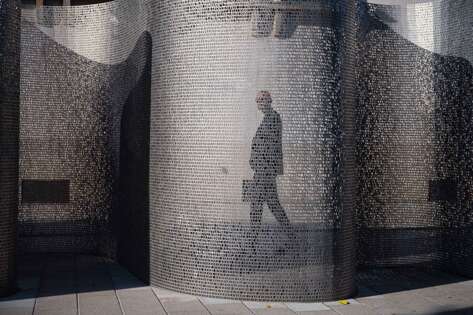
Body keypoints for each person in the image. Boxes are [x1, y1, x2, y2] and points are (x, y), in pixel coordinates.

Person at [248, 91, 296, 251]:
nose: (259, 103)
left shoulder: (272, 119)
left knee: (257, 205)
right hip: (264, 170)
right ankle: (291, 237)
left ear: (269, 101)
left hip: (264, 171)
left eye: (262, 100)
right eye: (257, 100)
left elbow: (270, 146)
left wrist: (259, 164)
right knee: (271, 205)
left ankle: (252, 242)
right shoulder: (269, 119)